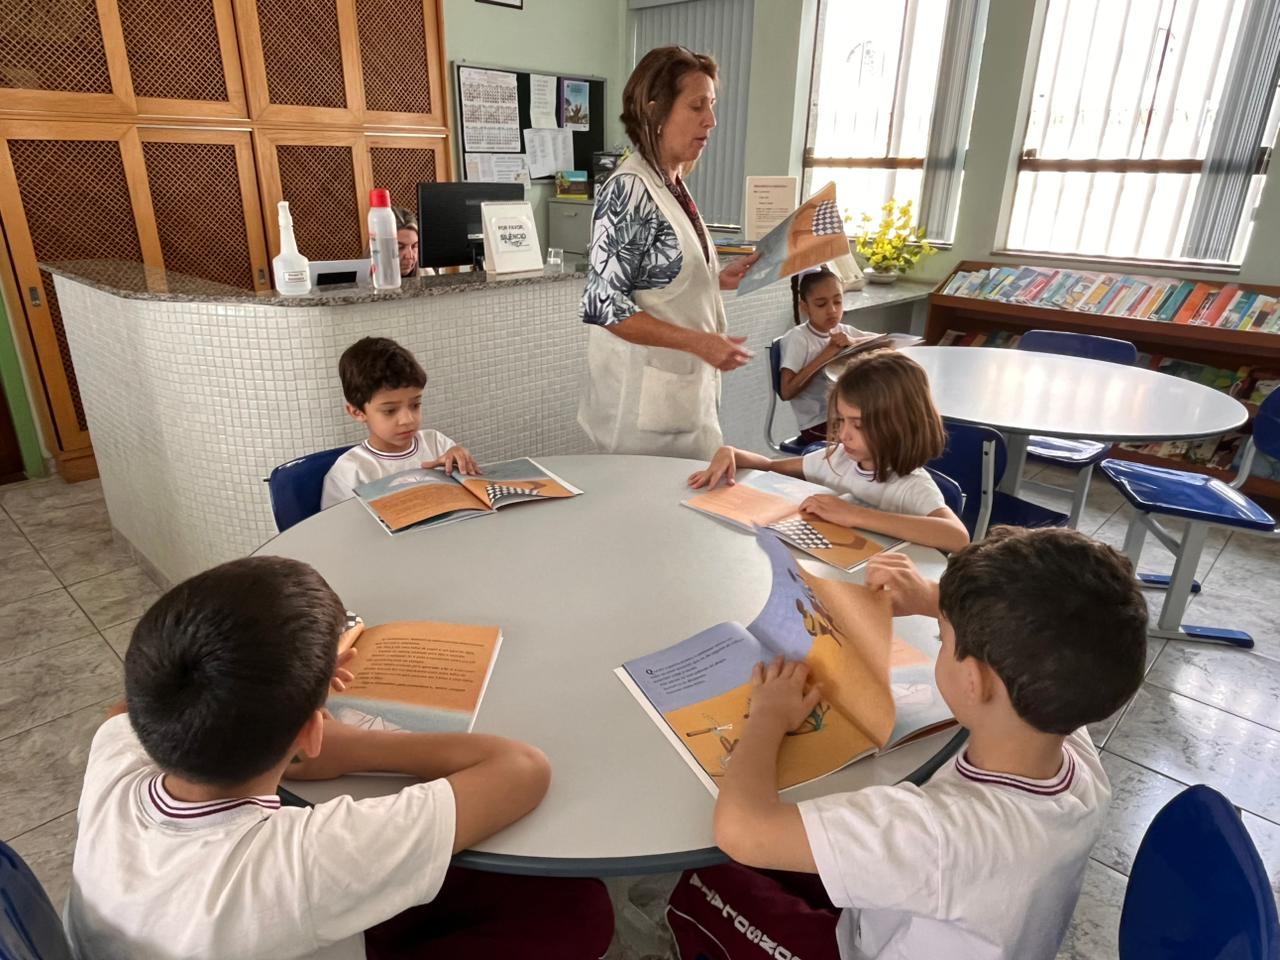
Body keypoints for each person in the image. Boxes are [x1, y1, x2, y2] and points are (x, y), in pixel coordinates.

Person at [64, 556, 614, 959]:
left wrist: (296, 698)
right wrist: (344, 746)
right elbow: (522, 770)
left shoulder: (114, 764)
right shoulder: (303, 861)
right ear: (311, 732)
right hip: (296, 907)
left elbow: (121, 712)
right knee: (580, 910)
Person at [709, 526, 1149, 959]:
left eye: (942, 638)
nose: (940, 637)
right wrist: (936, 600)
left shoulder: (936, 834)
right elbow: (1057, 641)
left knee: (709, 882)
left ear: (974, 681)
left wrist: (767, 716)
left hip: (861, 945)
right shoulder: (1076, 751)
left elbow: (741, 831)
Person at [578, 45, 759, 459]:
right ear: (655, 112)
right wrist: (701, 343)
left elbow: (656, 278)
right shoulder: (629, 189)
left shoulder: (671, 183)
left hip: (679, 398)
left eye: (711, 105)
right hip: (642, 409)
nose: (710, 120)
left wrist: (714, 279)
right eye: (696, 106)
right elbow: (603, 305)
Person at [688, 350, 970, 554]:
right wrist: (734, 454)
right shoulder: (839, 458)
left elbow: (957, 537)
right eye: (841, 420)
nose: (844, 435)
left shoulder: (911, 485)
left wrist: (855, 514)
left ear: (899, 424)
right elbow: (771, 467)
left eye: (858, 424)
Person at [321, 337, 476, 509]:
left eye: (415, 405)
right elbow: (338, 523)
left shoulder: (438, 444)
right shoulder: (350, 472)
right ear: (357, 412)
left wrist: (462, 463)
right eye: (390, 411)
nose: (408, 419)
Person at [780, 266, 871, 445]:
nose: (832, 310)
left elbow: (886, 340)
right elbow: (787, 391)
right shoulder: (798, 338)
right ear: (805, 307)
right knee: (877, 436)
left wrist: (853, 341)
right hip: (818, 423)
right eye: (821, 304)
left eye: (837, 302)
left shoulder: (843, 331)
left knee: (892, 421)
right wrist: (827, 354)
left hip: (845, 414)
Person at [390, 207, 436, 279]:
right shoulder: (370, 277)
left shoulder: (426, 273)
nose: (410, 256)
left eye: (414, 246)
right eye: (399, 247)